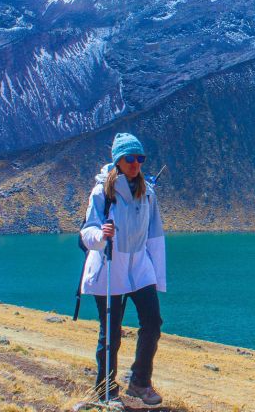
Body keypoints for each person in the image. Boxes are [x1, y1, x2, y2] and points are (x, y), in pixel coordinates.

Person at [80, 132, 166, 407]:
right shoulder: (102, 192)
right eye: (129, 158)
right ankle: (105, 390)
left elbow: (155, 236)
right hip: (109, 267)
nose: (135, 163)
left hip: (139, 267)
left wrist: (157, 276)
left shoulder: (148, 193)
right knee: (111, 333)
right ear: (117, 160)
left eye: (139, 158)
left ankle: (140, 381)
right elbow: (87, 232)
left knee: (152, 323)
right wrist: (100, 235)